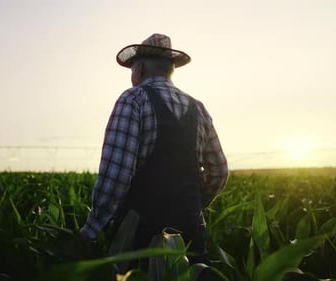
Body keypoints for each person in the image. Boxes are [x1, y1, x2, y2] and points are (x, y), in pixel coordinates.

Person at [80, 33, 228, 269]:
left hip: (141, 234)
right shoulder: (198, 108)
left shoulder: (133, 99)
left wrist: (91, 230)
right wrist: (193, 207)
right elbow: (219, 172)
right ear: (171, 69)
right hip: (191, 233)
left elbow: (116, 175)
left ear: (139, 67)